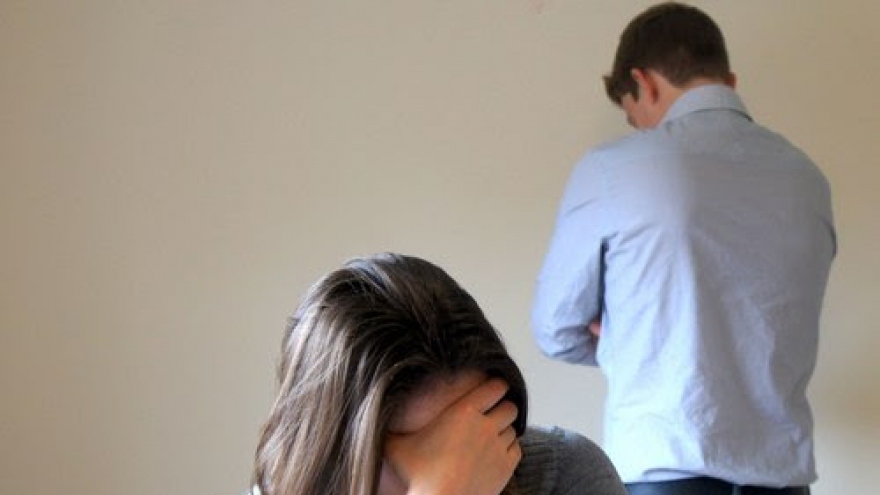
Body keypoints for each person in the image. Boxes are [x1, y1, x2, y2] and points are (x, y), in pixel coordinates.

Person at [531, 3, 836, 495]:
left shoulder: (612, 169)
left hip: (664, 471)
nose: (640, 128)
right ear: (729, 82)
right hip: (783, 481)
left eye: (634, 117)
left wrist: (636, 337)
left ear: (644, 83)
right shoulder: (808, 179)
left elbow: (555, 328)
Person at [251, 253, 627, 495]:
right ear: (331, 447)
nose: (460, 461)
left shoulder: (568, 475)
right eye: (423, 447)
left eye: (479, 425)